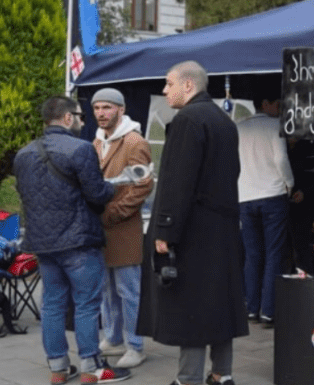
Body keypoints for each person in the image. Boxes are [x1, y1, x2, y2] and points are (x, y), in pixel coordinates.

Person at [137, 61, 249, 385]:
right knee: (220, 303)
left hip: (193, 231)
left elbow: (177, 180)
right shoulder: (224, 121)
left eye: (169, 83)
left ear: (188, 86)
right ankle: (222, 374)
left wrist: (165, 230)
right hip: (222, 228)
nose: (164, 90)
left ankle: (188, 379)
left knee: (193, 306)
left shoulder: (188, 119)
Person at [13, 96, 131, 384]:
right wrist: (112, 188)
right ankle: (93, 370)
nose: (82, 120)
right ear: (68, 118)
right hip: (78, 241)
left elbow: (27, 196)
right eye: (80, 115)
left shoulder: (23, 154)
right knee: (87, 305)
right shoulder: (80, 149)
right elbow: (97, 196)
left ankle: (58, 369)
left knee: (52, 304)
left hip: (43, 243)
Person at [91, 87, 154, 368]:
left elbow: (144, 184)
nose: (101, 113)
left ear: (121, 109)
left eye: (107, 107)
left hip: (124, 227)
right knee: (106, 288)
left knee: (129, 291)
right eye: (97, 108)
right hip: (101, 229)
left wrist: (115, 212)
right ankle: (115, 337)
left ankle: (136, 345)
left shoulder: (134, 141)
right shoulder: (97, 141)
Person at [238, 93, 302, 328]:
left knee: (252, 254)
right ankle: (269, 310)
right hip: (273, 194)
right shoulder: (275, 125)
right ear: (265, 102)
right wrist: (290, 183)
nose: (280, 109)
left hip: (245, 195)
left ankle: (251, 307)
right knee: (274, 253)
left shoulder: (239, 128)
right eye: (278, 104)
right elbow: (281, 158)